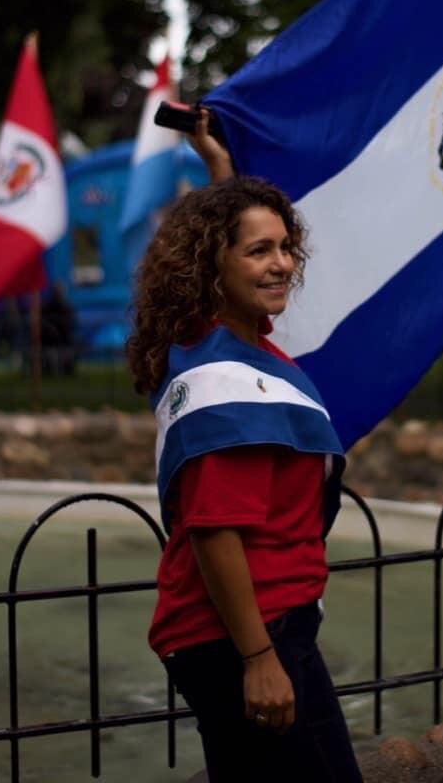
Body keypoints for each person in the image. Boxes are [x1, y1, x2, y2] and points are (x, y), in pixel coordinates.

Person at [127, 109, 363, 782]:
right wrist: (260, 658)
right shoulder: (224, 379)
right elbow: (214, 532)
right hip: (247, 636)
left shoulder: (211, 338)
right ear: (215, 264)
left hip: (243, 631)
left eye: (287, 247)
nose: (283, 263)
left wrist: (217, 167)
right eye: (260, 251)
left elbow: (207, 236)